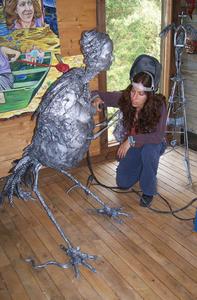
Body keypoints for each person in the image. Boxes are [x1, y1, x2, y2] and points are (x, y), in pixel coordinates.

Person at [92, 54, 167, 207]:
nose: (134, 97)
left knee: (149, 153)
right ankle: (144, 168)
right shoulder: (126, 98)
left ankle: (148, 190)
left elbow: (158, 136)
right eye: (133, 91)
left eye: (140, 94)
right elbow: (95, 92)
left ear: (149, 95)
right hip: (133, 146)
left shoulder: (159, 105)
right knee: (123, 183)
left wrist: (131, 140)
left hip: (152, 144)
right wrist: (96, 99)